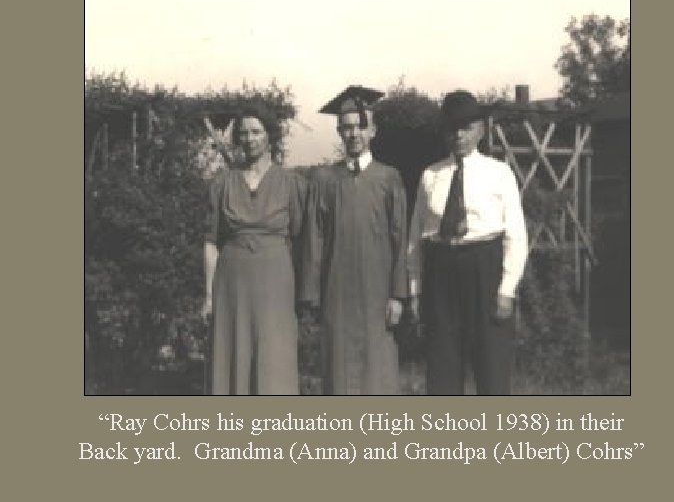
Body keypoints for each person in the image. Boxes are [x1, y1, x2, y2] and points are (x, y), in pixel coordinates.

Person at [407, 90, 528, 395]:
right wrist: (415, 290)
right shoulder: (430, 175)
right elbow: (415, 239)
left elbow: (516, 235)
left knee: (492, 369)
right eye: (452, 128)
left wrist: (506, 290)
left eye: (466, 128)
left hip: (484, 268)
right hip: (441, 270)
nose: (458, 135)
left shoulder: (499, 173)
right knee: (443, 369)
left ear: (481, 130)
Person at [300, 86, 408, 395]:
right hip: (337, 291)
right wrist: (312, 295)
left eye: (361, 126)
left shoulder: (389, 178)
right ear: (338, 132)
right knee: (339, 372)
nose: (354, 134)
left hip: (378, 292)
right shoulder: (323, 180)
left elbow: (400, 239)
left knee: (378, 372)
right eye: (346, 127)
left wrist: (398, 295)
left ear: (373, 130)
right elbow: (314, 240)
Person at [201, 104, 306, 395]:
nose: (249, 138)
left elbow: (300, 238)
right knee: (232, 354)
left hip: (276, 283)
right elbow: (211, 242)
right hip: (231, 284)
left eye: (256, 132)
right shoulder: (223, 183)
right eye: (243, 133)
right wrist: (209, 295)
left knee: (274, 357)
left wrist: (300, 291)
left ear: (269, 136)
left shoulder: (290, 182)